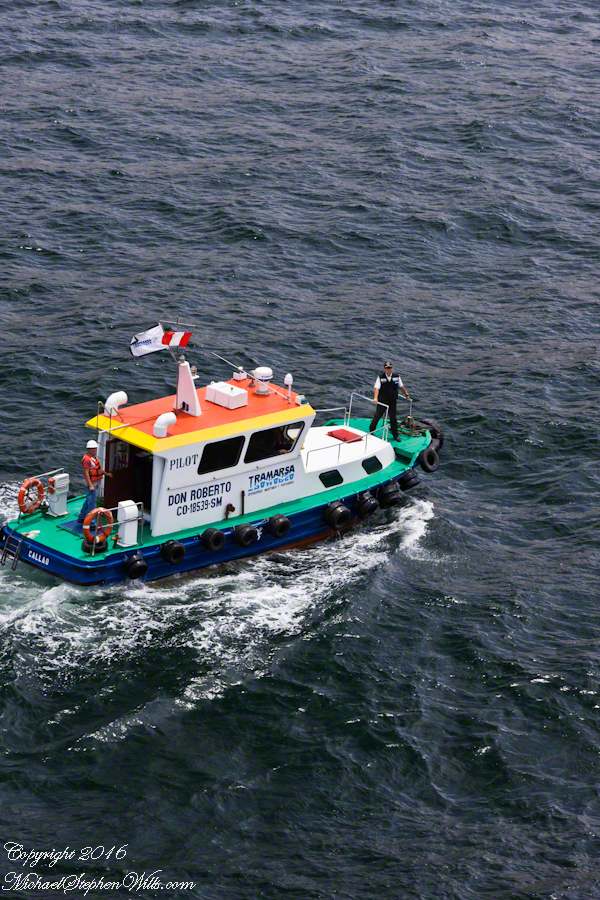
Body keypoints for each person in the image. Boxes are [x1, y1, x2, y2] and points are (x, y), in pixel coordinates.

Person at [369, 361, 411, 442]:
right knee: (377, 416)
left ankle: (395, 435)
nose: (389, 370)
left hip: (392, 401)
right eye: (387, 368)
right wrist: (375, 398)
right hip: (382, 401)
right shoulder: (380, 378)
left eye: (390, 368)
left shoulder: (397, 377)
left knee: (393, 418)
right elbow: (377, 388)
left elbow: (401, 387)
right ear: (384, 369)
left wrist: (406, 395)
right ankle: (371, 432)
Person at [77, 439, 113, 524]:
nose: (94, 450)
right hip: (91, 486)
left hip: (95, 484)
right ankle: (92, 522)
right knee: (92, 504)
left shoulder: (94, 458)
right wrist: (90, 485)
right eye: (92, 448)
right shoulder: (87, 460)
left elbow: (98, 469)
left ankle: (81, 516)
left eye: (95, 448)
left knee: (88, 501)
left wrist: (106, 474)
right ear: (88, 450)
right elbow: (86, 473)